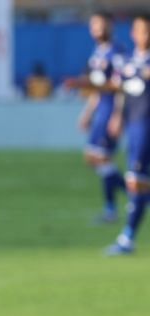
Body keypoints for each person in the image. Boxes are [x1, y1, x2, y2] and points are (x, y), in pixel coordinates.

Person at [65, 12, 126, 225]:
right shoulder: (97, 52)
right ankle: (130, 197)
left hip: (111, 110)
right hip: (101, 110)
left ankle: (122, 204)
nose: (96, 29)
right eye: (93, 25)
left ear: (110, 26)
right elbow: (96, 89)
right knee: (94, 158)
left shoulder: (117, 52)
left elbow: (121, 87)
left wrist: (118, 115)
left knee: (100, 158)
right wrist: (87, 113)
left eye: (100, 25)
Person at [104, 14, 150, 255]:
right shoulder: (129, 60)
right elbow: (120, 89)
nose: (141, 35)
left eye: (145, 30)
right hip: (133, 124)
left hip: (146, 125)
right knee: (138, 182)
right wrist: (117, 115)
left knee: (136, 181)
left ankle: (127, 239)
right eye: (138, 30)